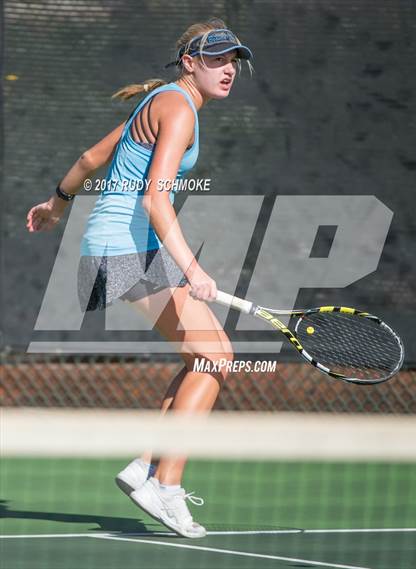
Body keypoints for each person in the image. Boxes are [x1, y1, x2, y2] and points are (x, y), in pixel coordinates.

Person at [26, 18, 253, 538]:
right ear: (189, 63)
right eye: (217, 59)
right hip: (122, 251)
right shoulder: (178, 108)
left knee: (207, 353)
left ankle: (147, 465)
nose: (228, 70)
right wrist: (193, 270)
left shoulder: (164, 102)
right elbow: (156, 198)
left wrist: (57, 204)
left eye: (234, 60)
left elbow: (91, 158)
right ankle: (164, 486)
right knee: (217, 354)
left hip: (123, 249)